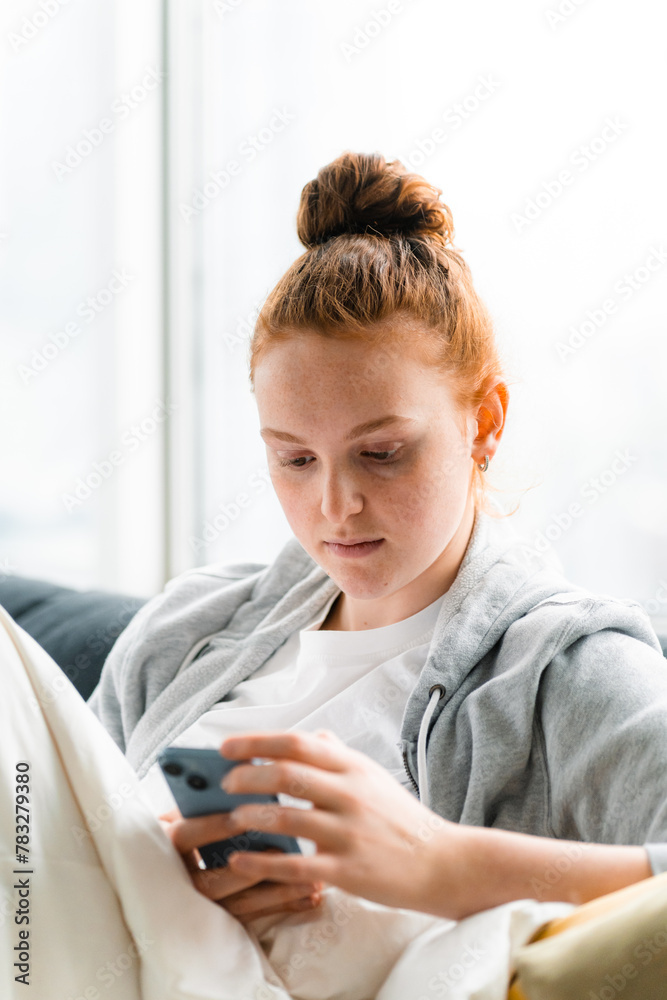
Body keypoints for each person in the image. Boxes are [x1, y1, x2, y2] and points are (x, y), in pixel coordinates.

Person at [87, 151, 667, 930]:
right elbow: (34, 856)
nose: (335, 505)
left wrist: (440, 867)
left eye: (381, 452)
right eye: (294, 459)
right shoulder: (180, 635)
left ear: (484, 422)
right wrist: (137, 880)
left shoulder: (566, 675)